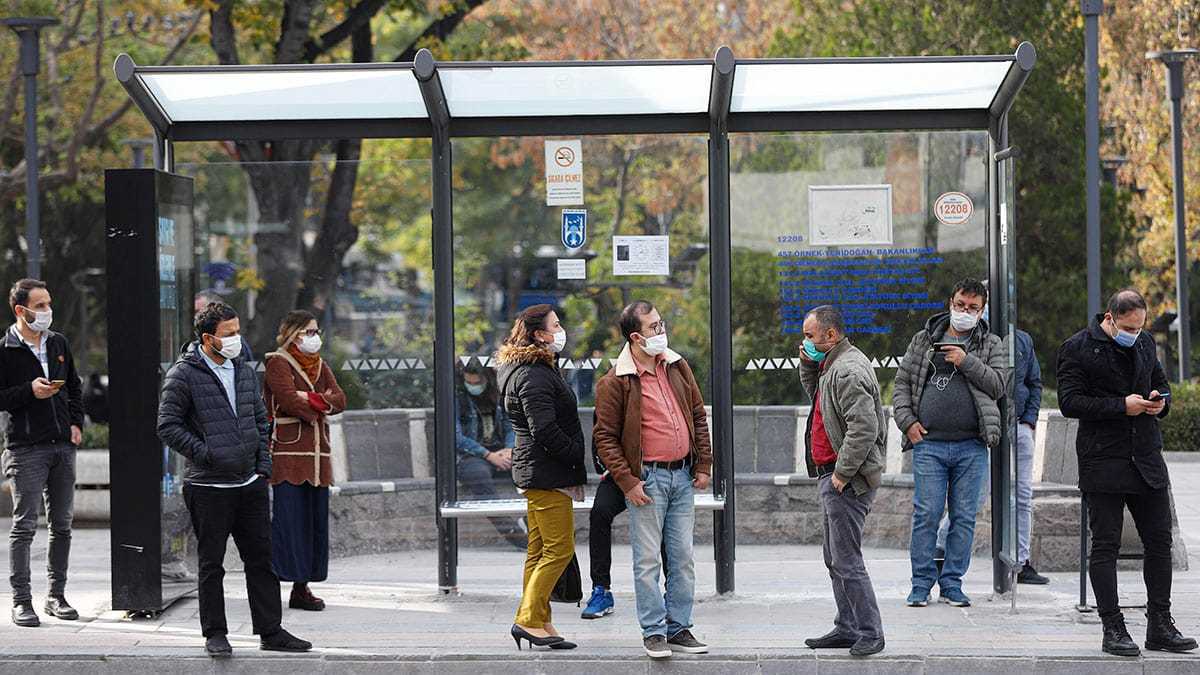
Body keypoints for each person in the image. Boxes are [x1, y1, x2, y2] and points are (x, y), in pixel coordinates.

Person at [157, 302, 311, 657]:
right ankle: (215, 633)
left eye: (237, 331)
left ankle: (271, 631)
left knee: (261, 559)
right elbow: (167, 425)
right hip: (208, 486)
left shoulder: (241, 368)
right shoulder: (183, 374)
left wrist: (263, 466)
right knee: (212, 563)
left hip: (249, 483)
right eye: (229, 334)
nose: (236, 339)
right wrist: (208, 454)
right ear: (208, 338)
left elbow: (260, 418)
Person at [1057, 289, 1196, 657]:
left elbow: (1161, 384)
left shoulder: (1146, 342)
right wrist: (1122, 406)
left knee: (1159, 541)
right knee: (1106, 545)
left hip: (1146, 458)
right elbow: (1070, 402)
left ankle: (1160, 624)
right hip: (1103, 459)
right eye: (1127, 327)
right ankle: (1112, 627)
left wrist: (1158, 402)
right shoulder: (1077, 347)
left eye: (1139, 326)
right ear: (1110, 318)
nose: (1134, 333)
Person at [593, 300, 713, 660]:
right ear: (635, 336)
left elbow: (697, 414)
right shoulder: (616, 381)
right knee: (647, 561)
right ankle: (654, 631)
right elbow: (605, 438)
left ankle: (679, 627)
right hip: (648, 480)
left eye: (661, 324)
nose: (662, 332)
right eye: (653, 328)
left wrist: (704, 463)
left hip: (682, 475)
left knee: (683, 558)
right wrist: (628, 481)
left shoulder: (677, 365)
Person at [892, 278, 1004, 609]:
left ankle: (952, 583)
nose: (965, 312)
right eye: (960, 305)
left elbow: (998, 386)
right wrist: (908, 423)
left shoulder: (991, 343)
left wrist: (965, 360)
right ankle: (921, 584)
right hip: (929, 444)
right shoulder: (925, 338)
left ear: (982, 310)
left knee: (964, 516)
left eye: (972, 308)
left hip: (971, 445)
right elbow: (901, 385)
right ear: (950, 302)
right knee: (926, 514)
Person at [494, 304, 586, 651]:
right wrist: (575, 453)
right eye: (556, 325)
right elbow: (543, 428)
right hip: (546, 473)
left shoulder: (532, 368)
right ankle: (529, 620)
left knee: (538, 550)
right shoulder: (533, 374)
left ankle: (539, 619)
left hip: (540, 470)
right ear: (538, 334)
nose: (561, 331)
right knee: (559, 549)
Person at [798, 305, 886, 657]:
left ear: (830, 335)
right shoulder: (831, 364)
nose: (805, 341)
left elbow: (864, 427)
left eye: (810, 335)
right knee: (834, 557)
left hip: (845, 480)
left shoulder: (847, 369)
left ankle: (870, 632)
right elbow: (819, 399)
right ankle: (847, 627)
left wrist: (841, 474)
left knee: (847, 559)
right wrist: (808, 362)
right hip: (833, 475)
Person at [0, 279, 84, 627]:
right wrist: (28, 392)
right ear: (21, 310)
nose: (47, 311)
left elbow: (75, 386)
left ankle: (56, 595)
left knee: (62, 525)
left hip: (62, 446)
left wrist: (76, 424)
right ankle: (21, 600)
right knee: (24, 527)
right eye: (40, 305)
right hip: (25, 448)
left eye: (48, 303)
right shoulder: (4, 349)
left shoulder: (58, 342)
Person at [262, 310, 346, 612]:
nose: (315, 336)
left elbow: (340, 398)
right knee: (287, 523)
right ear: (293, 333)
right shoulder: (277, 362)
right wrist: (317, 404)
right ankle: (274, 585)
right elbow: (287, 400)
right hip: (289, 457)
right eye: (309, 331)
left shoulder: (320, 365)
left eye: (316, 331)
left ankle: (302, 587)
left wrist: (312, 400)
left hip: (318, 459)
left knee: (313, 524)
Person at [454, 361, 526, 548]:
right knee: (478, 477)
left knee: (531, 468)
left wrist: (510, 448)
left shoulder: (498, 395)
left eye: (477, 382)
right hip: (472, 455)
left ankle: (531, 522)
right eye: (469, 382)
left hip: (501, 450)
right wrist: (487, 455)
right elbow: (456, 437)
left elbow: (511, 425)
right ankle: (515, 535)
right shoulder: (458, 398)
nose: (473, 386)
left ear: (486, 379)